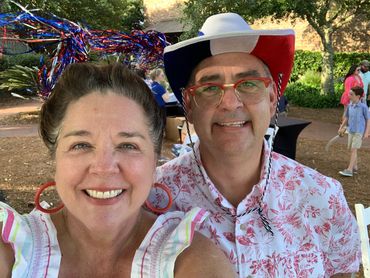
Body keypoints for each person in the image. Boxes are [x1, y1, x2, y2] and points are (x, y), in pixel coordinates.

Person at [150, 13, 360, 277]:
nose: (229, 103)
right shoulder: (151, 200)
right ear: (189, 107)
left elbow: (342, 271)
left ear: (272, 99)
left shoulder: (322, 197)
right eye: (210, 87)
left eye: (249, 84)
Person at [0, 62, 235, 277]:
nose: (104, 168)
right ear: (55, 159)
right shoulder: (11, 250)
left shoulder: (190, 260)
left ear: (154, 163)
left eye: (127, 145)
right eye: (81, 145)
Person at [338, 86, 369, 177]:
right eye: (349, 93)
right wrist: (341, 127)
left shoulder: (363, 107)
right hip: (351, 130)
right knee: (351, 149)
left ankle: (349, 170)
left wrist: (367, 132)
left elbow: (368, 120)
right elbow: (346, 117)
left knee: (353, 149)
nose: (349, 95)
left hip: (359, 131)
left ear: (358, 96)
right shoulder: (349, 105)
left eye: (351, 94)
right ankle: (355, 166)